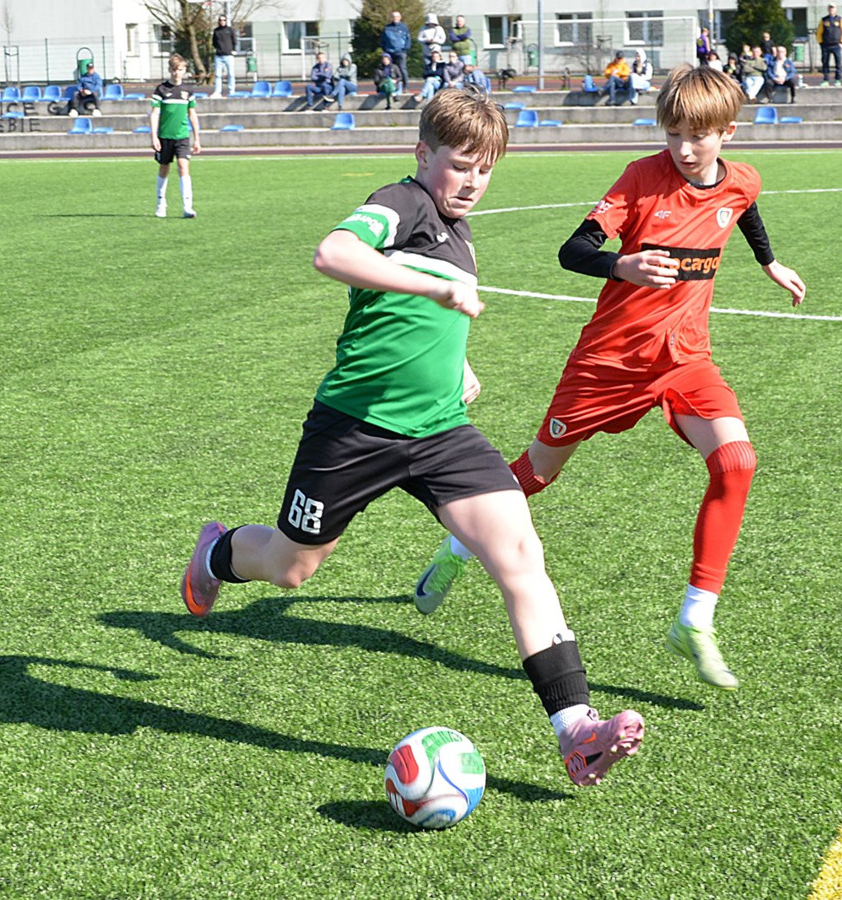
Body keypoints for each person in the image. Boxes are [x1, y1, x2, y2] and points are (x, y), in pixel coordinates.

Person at [180, 88, 645, 788]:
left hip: (440, 432)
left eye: (485, 169)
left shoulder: (460, 233)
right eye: (460, 164)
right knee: (289, 567)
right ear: (423, 154)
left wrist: (458, 366)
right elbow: (333, 253)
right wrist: (429, 290)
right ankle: (216, 554)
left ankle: (576, 731)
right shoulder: (402, 203)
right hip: (353, 430)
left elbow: (424, 325)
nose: (473, 181)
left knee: (520, 555)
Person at [412, 64, 807, 693]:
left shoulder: (742, 180)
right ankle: (460, 547)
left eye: (697, 136)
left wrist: (770, 262)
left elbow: (744, 208)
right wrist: (623, 265)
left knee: (736, 461)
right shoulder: (641, 178)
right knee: (536, 474)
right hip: (608, 362)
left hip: (684, 358)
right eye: (673, 133)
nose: (683, 149)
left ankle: (694, 619)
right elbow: (573, 250)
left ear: (727, 133)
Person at [150, 54, 201, 219]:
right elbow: (154, 114)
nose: (176, 73)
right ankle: (161, 203)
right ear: (169, 70)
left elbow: (192, 114)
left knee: (183, 166)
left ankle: (187, 206)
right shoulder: (161, 90)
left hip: (182, 137)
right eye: (173, 70)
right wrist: (154, 137)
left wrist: (197, 138)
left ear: (184, 70)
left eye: (179, 69)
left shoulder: (188, 91)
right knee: (164, 168)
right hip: (165, 136)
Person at [817, 4, 842, 86]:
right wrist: (821, 43)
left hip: (837, 45)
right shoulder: (824, 20)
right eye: (830, 8)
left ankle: (838, 80)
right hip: (826, 45)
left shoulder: (841, 19)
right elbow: (819, 32)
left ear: (836, 9)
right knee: (825, 63)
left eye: (833, 8)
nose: (831, 9)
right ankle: (826, 80)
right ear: (828, 9)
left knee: (838, 63)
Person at [380, 11, 411, 94]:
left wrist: (405, 49)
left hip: (401, 51)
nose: (395, 18)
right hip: (389, 52)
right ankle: (390, 86)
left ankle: (406, 87)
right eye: (393, 17)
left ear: (400, 18)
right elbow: (383, 40)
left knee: (402, 68)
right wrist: (385, 50)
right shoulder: (387, 28)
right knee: (389, 69)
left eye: (397, 17)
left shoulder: (404, 27)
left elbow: (408, 40)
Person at [211, 14, 238, 99]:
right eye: (220, 20)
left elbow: (234, 41)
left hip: (229, 56)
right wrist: (219, 49)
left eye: (224, 20)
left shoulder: (230, 30)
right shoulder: (216, 31)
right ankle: (217, 91)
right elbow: (214, 42)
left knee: (231, 74)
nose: (222, 22)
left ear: (226, 21)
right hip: (218, 56)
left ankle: (231, 91)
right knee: (218, 75)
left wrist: (233, 50)